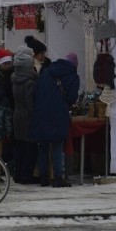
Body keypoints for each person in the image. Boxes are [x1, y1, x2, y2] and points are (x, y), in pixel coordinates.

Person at [30, 52, 80, 188]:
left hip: (41, 112)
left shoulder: (46, 72)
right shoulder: (73, 77)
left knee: (43, 146)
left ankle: (43, 178)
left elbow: (35, 92)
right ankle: (58, 178)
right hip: (59, 113)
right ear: (75, 65)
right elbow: (71, 98)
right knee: (57, 146)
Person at [11, 46, 39, 184]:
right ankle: (26, 175)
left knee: (20, 147)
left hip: (17, 116)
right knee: (30, 147)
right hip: (27, 118)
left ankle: (18, 174)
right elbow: (30, 104)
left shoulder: (14, 79)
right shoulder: (30, 83)